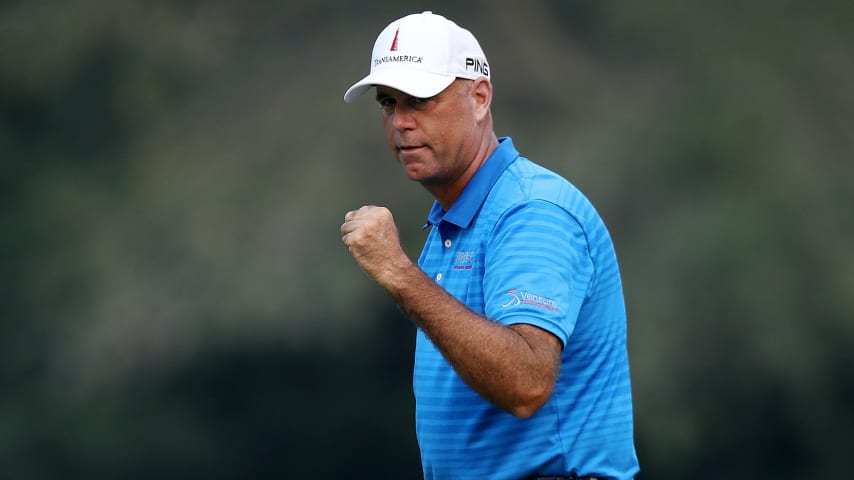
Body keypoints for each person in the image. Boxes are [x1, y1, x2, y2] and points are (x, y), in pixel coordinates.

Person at [339, 11, 639, 480]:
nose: (400, 121)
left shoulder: (532, 211)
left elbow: (526, 382)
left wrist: (399, 273)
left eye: (419, 99)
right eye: (387, 102)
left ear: (479, 98)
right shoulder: (451, 222)